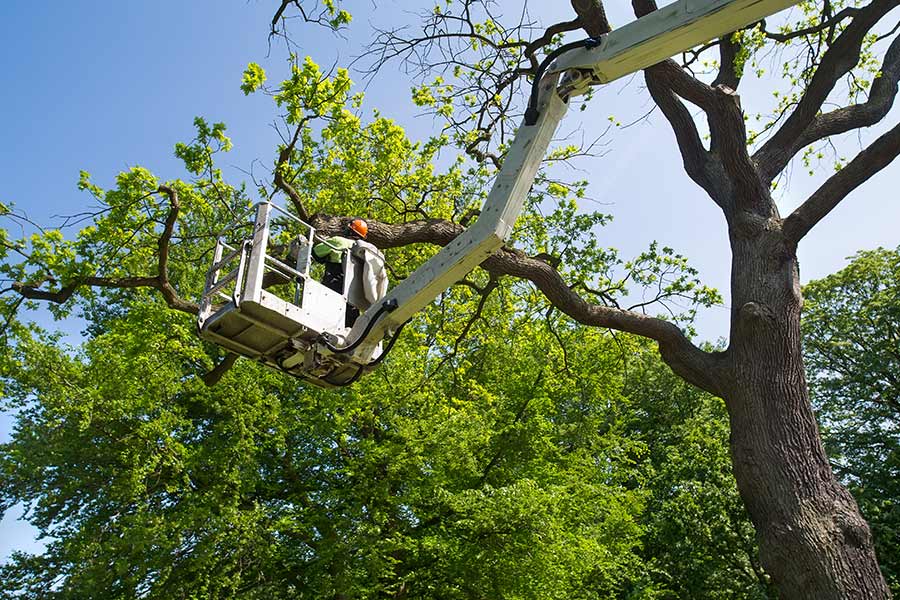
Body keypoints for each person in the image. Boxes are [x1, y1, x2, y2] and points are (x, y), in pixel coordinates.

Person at [312, 218, 369, 327]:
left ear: (348, 230)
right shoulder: (366, 253)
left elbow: (316, 253)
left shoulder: (339, 241)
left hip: (332, 291)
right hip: (353, 302)